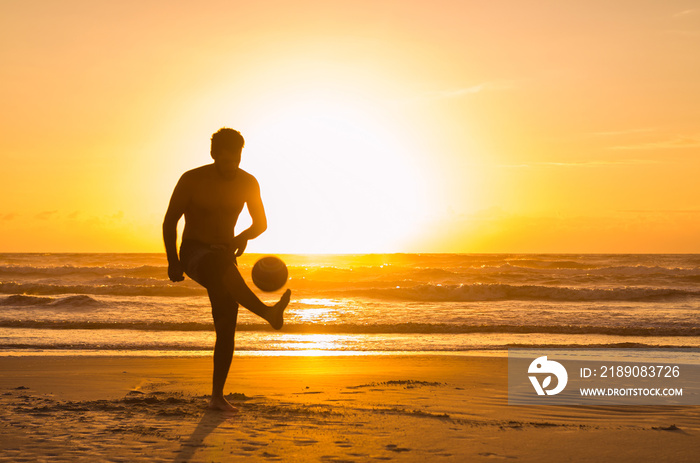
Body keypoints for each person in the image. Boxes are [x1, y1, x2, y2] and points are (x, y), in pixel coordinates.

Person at [163, 128, 291, 413]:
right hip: (195, 253)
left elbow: (261, 223)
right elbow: (170, 220)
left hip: (224, 254)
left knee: (226, 325)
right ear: (214, 155)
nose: (232, 167)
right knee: (219, 266)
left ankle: (217, 397)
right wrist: (173, 260)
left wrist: (239, 239)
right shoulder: (192, 179)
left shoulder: (248, 182)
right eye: (226, 161)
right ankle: (267, 313)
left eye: (237, 160)